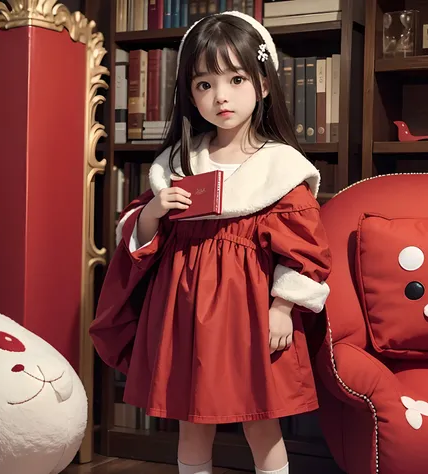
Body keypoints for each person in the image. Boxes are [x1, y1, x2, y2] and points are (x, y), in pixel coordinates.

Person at [90, 11, 331, 474]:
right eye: (204, 84)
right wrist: (155, 211)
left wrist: (282, 308)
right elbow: (138, 240)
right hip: (182, 317)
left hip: (248, 315)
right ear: (190, 94)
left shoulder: (280, 167)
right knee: (191, 421)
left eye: (236, 79)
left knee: (262, 424)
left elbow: (305, 250)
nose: (220, 96)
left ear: (262, 84)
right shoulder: (180, 161)